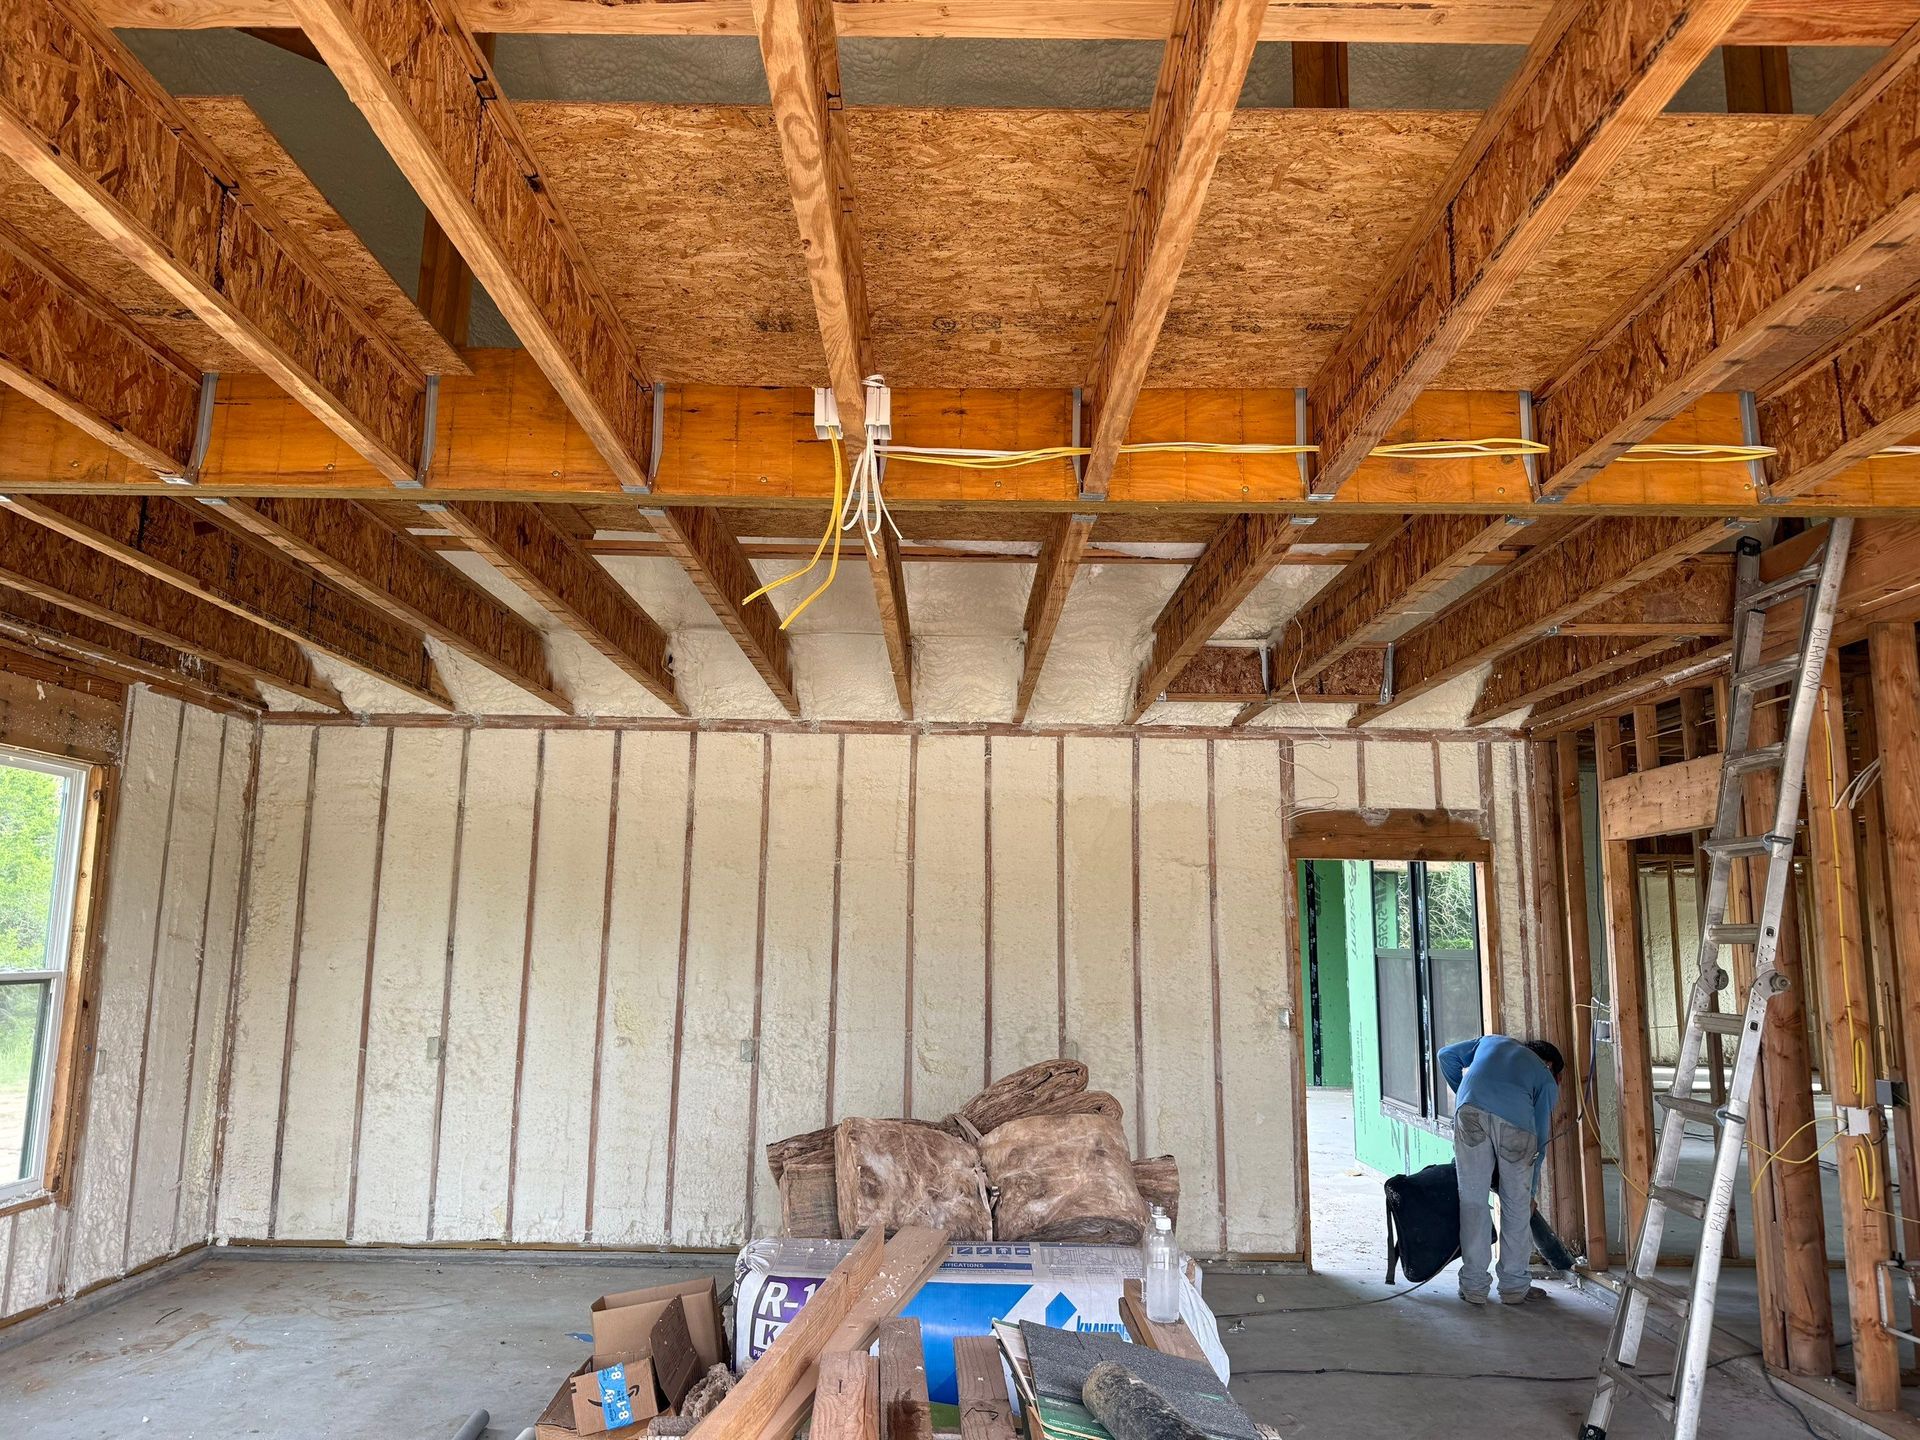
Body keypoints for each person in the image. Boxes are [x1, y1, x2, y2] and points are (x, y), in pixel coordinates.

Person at [1437, 1033, 1563, 1305]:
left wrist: (1465, 1095)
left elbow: (1445, 1056)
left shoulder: (1491, 1041)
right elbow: (1540, 1138)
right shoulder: (1545, 1078)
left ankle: (1473, 1288)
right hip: (1516, 1127)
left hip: (1470, 1112)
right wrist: (1531, 1191)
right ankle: (1514, 1288)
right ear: (1551, 1066)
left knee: (1472, 1201)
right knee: (1516, 1207)